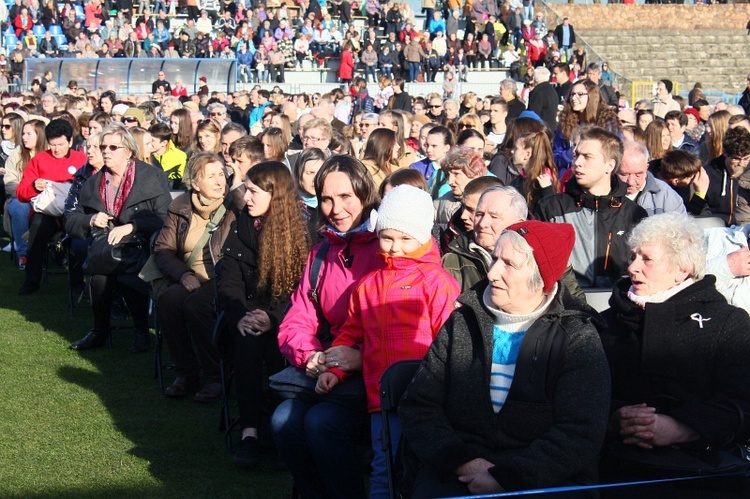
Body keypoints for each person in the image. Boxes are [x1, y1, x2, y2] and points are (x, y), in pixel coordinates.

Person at [399, 220, 610, 497]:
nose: (493, 272)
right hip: (458, 470)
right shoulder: (463, 322)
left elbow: (581, 431)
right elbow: (419, 406)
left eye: (509, 264)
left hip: (543, 478)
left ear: (541, 278)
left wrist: (509, 477)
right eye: (495, 259)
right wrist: (463, 462)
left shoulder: (576, 336)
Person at [315, 185, 460, 499]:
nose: (395, 247)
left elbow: (450, 341)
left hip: (428, 400)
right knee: (385, 469)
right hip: (381, 400)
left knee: (424, 468)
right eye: (387, 237)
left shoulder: (437, 283)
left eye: (406, 238)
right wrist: (336, 369)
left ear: (423, 237)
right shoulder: (368, 285)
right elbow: (351, 332)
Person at [599, 212, 750, 497]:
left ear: (682, 269)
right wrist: (615, 417)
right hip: (615, 471)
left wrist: (682, 427)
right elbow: (582, 394)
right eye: (632, 257)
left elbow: (741, 404)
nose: (632, 268)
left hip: (703, 476)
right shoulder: (607, 323)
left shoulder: (728, 324)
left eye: (647, 259)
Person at [271, 155, 382, 499]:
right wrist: (310, 357)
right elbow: (297, 320)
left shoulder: (390, 246)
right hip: (325, 372)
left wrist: (360, 357)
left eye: (346, 196)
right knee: (283, 420)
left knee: (321, 425)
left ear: (365, 194)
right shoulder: (321, 254)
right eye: (327, 199)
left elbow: (405, 327)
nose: (336, 208)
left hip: (374, 380)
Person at [218, 161, 311, 469]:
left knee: (275, 344)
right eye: (246, 188)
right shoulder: (242, 224)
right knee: (247, 342)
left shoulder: (300, 232)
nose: (247, 196)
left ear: (276, 195)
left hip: (286, 316)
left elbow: (302, 290)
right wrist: (241, 316)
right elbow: (228, 281)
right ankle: (250, 432)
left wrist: (273, 318)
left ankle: (279, 427)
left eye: (254, 191)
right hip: (245, 311)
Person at [65, 124, 171, 352]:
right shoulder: (93, 182)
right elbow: (72, 218)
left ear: (129, 151)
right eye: (103, 146)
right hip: (105, 249)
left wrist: (132, 226)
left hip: (141, 248)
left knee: (129, 278)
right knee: (98, 279)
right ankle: (99, 331)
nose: (106, 151)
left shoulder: (151, 176)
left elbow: (164, 217)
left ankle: (141, 331)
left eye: (114, 147)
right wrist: (91, 221)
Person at [155, 153, 237, 402]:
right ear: (196, 183)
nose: (218, 180)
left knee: (196, 305)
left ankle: (216, 376)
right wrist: (183, 274)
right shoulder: (180, 206)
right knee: (169, 300)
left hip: (223, 277)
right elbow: (163, 249)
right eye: (210, 176)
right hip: (190, 276)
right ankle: (186, 372)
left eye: (221, 174)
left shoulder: (235, 206)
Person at [538, 127, 647, 288]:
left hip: (616, 305)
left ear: (609, 166)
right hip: (567, 306)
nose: (577, 163)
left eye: (587, 157)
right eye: (576, 155)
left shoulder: (634, 214)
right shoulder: (552, 208)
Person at [17, 119, 87, 295]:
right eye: (52, 144)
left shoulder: (82, 160)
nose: (56, 149)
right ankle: (32, 280)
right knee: (38, 227)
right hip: (46, 213)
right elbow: (20, 193)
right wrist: (34, 186)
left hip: (73, 211)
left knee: (77, 233)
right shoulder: (39, 160)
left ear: (71, 141)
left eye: (61, 144)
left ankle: (77, 283)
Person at [554, 79, 620, 176]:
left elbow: (616, 153)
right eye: (572, 94)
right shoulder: (565, 123)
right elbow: (555, 155)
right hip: (570, 176)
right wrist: (570, 153)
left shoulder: (608, 122)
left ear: (591, 96)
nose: (574, 98)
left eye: (580, 94)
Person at [618, 140, 686, 216]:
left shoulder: (666, 195)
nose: (631, 182)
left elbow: (681, 226)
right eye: (624, 174)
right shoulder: (604, 193)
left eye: (638, 174)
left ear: (646, 168)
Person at [511, 129, 559, 213]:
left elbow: (552, 211)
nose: (512, 151)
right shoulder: (520, 179)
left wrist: (547, 189)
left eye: (516, 148)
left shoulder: (543, 182)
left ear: (527, 154)